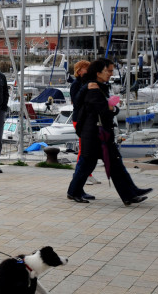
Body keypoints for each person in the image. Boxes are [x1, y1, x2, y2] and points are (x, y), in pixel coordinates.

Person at [65, 58, 152, 205]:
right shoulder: (92, 88)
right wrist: (111, 108)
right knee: (89, 164)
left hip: (98, 133)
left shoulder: (98, 86)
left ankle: (130, 194)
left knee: (113, 164)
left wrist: (113, 108)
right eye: (109, 71)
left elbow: (108, 108)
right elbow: (103, 110)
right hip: (94, 134)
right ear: (99, 72)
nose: (111, 74)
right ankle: (74, 192)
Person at [70, 60, 100, 189]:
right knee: (83, 148)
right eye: (86, 68)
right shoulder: (76, 84)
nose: (88, 70)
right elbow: (76, 102)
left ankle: (88, 173)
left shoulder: (88, 83)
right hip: (80, 118)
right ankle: (80, 174)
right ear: (79, 70)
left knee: (89, 148)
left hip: (88, 118)